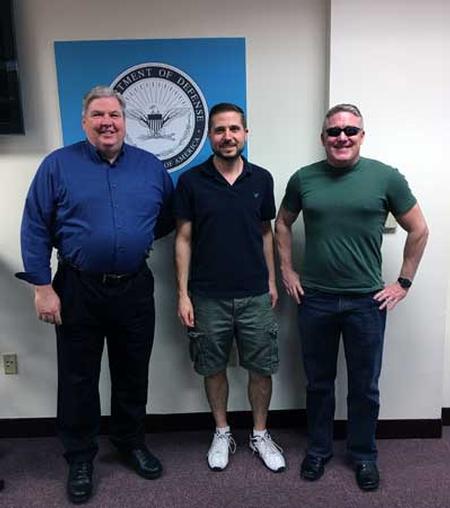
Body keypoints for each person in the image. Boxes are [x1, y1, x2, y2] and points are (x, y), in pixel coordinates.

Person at [16, 86, 174, 504]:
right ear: (84, 121)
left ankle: (129, 442)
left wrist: (126, 243)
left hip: (134, 287)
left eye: (115, 115)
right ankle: (80, 456)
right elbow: (34, 226)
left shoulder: (150, 167)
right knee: (77, 377)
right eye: (98, 115)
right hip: (77, 289)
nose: (108, 122)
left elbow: (163, 220)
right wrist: (42, 287)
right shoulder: (58, 165)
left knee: (132, 371)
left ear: (126, 121)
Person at [275, 104, 428, 491]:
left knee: (364, 385)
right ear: (323, 137)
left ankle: (363, 455)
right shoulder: (304, 179)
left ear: (362, 135)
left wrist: (403, 282)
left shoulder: (385, 178)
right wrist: (288, 270)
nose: (342, 137)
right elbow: (282, 223)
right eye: (334, 131)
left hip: (367, 302)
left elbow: (419, 229)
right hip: (317, 300)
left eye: (350, 131)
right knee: (319, 383)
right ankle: (319, 450)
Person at [174, 103, 285, 473]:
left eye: (234, 129)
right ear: (210, 137)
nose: (228, 136)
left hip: (254, 293)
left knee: (261, 368)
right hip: (207, 296)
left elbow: (265, 232)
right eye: (220, 130)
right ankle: (222, 431)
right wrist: (183, 293)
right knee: (212, 367)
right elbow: (184, 239)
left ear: (246, 134)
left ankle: (259, 433)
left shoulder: (261, 179)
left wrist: (271, 280)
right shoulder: (191, 181)